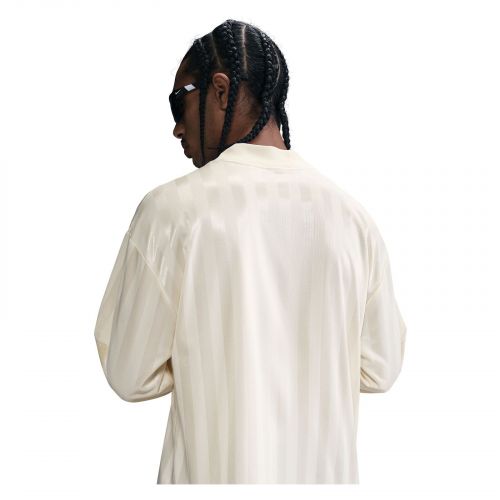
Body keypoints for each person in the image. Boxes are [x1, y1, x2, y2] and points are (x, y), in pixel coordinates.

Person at [93, 19, 407, 484]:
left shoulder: (173, 212)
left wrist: (206, 350)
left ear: (220, 91)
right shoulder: (352, 220)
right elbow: (381, 368)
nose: (177, 127)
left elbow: (129, 371)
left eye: (179, 100)